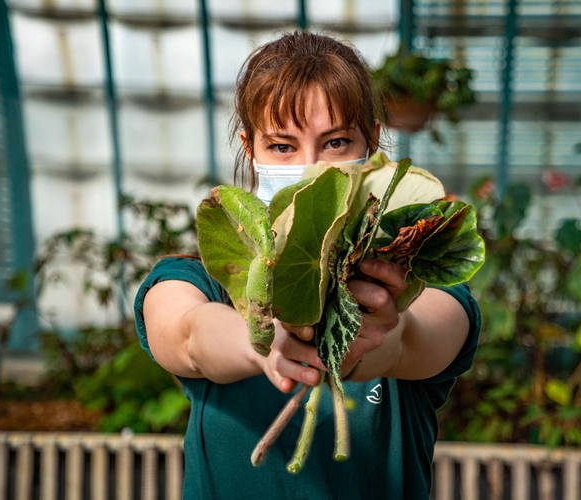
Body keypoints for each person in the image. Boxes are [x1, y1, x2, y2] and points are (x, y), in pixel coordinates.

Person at [134, 31, 481, 499]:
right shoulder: (197, 281)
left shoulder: (414, 281)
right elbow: (190, 336)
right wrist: (263, 343)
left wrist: (367, 336)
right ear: (250, 149)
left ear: (372, 141)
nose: (311, 167)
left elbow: (408, 340)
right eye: (282, 147)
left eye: (335, 142)